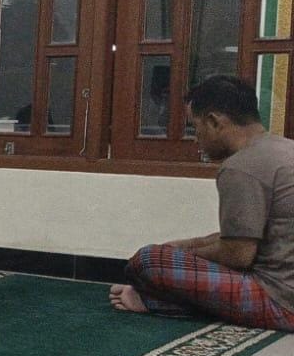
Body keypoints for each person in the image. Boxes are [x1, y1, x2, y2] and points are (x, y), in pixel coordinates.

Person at [110, 74, 294, 330]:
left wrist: (183, 256)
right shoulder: (284, 149)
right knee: (166, 255)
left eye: (195, 127)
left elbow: (238, 254)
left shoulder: (241, 166)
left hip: (280, 300)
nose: (196, 138)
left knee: (147, 260)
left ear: (214, 121)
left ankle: (154, 302)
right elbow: (247, 236)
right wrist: (184, 246)